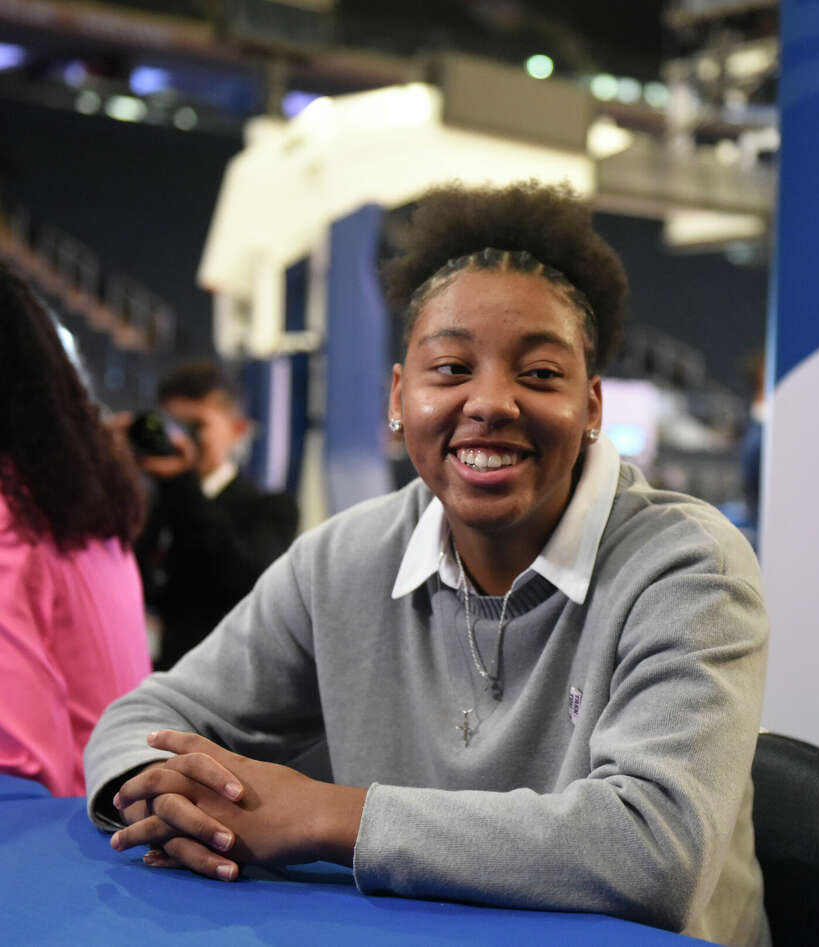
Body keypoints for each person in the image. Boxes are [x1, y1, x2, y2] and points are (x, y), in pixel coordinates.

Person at [84, 182, 771, 946]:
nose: (491, 401)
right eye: (450, 368)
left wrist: (322, 815)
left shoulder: (690, 568)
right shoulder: (342, 560)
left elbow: (654, 851)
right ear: (398, 395)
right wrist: (161, 799)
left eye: (540, 374)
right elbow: (141, 720)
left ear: (594, 407)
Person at [0, 263, 150, 796]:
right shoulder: (68, 495)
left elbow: (20, 767)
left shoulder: (11, 514)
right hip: (114, 829)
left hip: (54, 846)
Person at [131, 361, 299, 669]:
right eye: (173, 426)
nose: (181, 439)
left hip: (228, 681)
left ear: (238, 430)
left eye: (196, 426)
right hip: (161, 675)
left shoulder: (271, 509)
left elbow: (239, 580)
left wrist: (182, 484)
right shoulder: (154, 505)